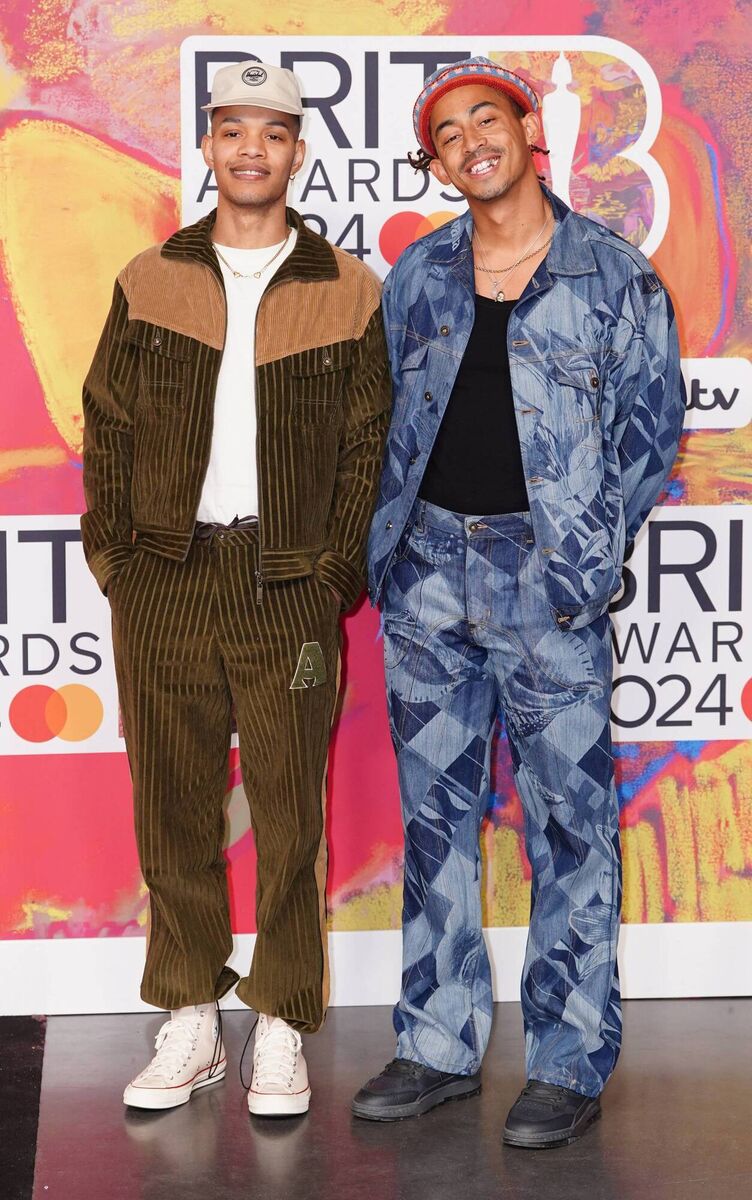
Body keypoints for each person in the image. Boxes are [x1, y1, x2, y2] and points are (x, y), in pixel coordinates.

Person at [353, 57, 684, 1147]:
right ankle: (436, 1045)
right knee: (436, 822)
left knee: (569, 827)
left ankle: (566, 1059)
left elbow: (649, 430)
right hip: (427, 576)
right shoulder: (418, 273)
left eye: (481, 121)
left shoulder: (612, 276)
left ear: (525, 130)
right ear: (433, 161)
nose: (466, 144)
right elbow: (387, 416)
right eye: (443, 135)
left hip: (549, 584)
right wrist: (398, 553)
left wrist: (584, 550)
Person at [81, 60, 390, 1116]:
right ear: (207, 150)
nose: (251, 150)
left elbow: (366, 447)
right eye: (232, 132)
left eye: (272, 133)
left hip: (287, 581)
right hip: (163, 576)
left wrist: (333, 573)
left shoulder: (346, 288)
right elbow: (108, 428)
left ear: (297, 153)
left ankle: (283, 1025)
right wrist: (116, 561)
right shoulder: (148, 279)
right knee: (170, 805)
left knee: (289, 816)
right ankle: (188, 1018)